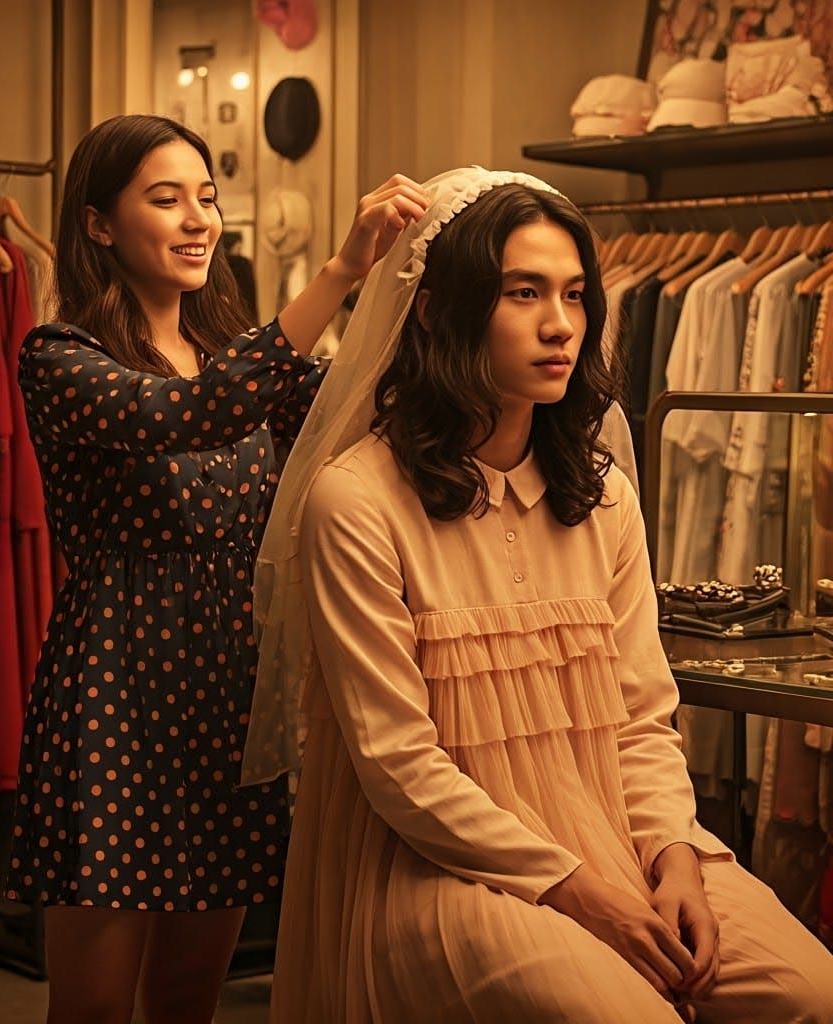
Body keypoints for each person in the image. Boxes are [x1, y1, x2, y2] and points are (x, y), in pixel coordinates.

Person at [245, 167, 833, 1023]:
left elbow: (641, 719)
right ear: (438, 311)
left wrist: (673, 854)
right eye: (524, 292)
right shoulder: (357, 500)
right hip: (437, 862)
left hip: (614, 827)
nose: (561, 324)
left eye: (575, 294)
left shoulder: (604, 495)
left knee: (811, 993)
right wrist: (583, 895)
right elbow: (400, 765)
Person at [3, 113, 429, 1024]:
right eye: (167, 199)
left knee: (191, 996)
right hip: (115, 697)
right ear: (97, 224)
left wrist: (418, 284)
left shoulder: (242, 359)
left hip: (233, 695)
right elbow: (188, 414)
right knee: (94, 1007)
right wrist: (339, 272)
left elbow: (358, 414)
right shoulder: (61, 357)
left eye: (206, 197)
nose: (199, 220)